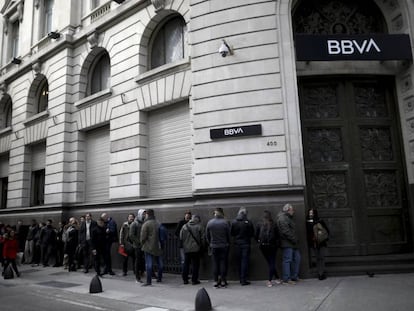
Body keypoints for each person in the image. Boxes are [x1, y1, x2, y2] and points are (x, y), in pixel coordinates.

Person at [206, 207, 231, 288]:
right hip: (224, 245)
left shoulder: (210, 222)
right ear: (222, 213)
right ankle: (223, 281)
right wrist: (227, 243)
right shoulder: (225, 222)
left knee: (215, 263)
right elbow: (228, 235)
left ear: (215, 213)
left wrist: (210, 243)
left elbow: (207, 236)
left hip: (214, 246)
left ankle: (215, 281)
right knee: (223, 263)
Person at [256, 210, 281, 287]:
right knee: (272, 263)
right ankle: (270, 280)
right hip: (272, 246)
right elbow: (278, 236)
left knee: (270, 263)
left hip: (263, 246)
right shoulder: (274, 224)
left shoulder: (259, 224)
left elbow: (256, 236)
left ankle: (277, 278)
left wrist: (259, 242)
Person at [277, 203, 301, 285]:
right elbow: (286, 231)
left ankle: (294, 276)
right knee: (287, 260)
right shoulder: (282, 218)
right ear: (288, 210)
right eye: (292, 210)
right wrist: (294, 239)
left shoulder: (287, 218)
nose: (293, 211)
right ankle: (286, 279)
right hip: (287, 243)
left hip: (292, 243)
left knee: (296, 259)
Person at [231, 207, 254, 286]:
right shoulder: (248, 222)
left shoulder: (234, 222)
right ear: (245, 213)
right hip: (246, 244)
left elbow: (232, 233)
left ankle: (240, 278)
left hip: (237, 244)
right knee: (244, 261)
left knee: (239, 261)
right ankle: (243, 279)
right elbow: (252, 233)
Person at [180, 214, 205, 285]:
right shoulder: (200, 227)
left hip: (186, 249)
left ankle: (185, 279)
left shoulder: (184, 226)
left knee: (186, 264)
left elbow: (181, 237)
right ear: (198, 220)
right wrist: (202, 247)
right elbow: (203, 238)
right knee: (195, 265)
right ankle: (194, 280)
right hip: (196, 249)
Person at [140, 209, 162, 286]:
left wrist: (142, 244)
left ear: (147, 215)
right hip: (158, 246)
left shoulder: (146, 224)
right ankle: (159, 278)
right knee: (160, 263)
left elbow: (143, 237)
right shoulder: (158, 223)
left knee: (149, 264)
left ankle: (149, 281)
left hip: (148, 246)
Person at [306, 208, 329, 280]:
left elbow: (327, 231)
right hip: (314, 243)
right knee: (317, 258)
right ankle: (320, 273)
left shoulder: (320, 221)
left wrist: (323, 237)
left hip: (321, 242)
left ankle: (321, 273)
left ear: (314, 213)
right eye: (309, 213)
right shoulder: (307, 221)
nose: (310, 214)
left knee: (321, 257)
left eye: (312, 213)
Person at [129, 209, 146, 283]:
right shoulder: (134, 224)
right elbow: (131, 235)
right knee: (137, 261)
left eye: (145, 214)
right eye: (143, 214)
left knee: (142, 260)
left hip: (144, 245)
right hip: (137, 246)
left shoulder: (144, 223)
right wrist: (138, 242)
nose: (144, 216)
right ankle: (137, 277)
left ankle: (142, 272)